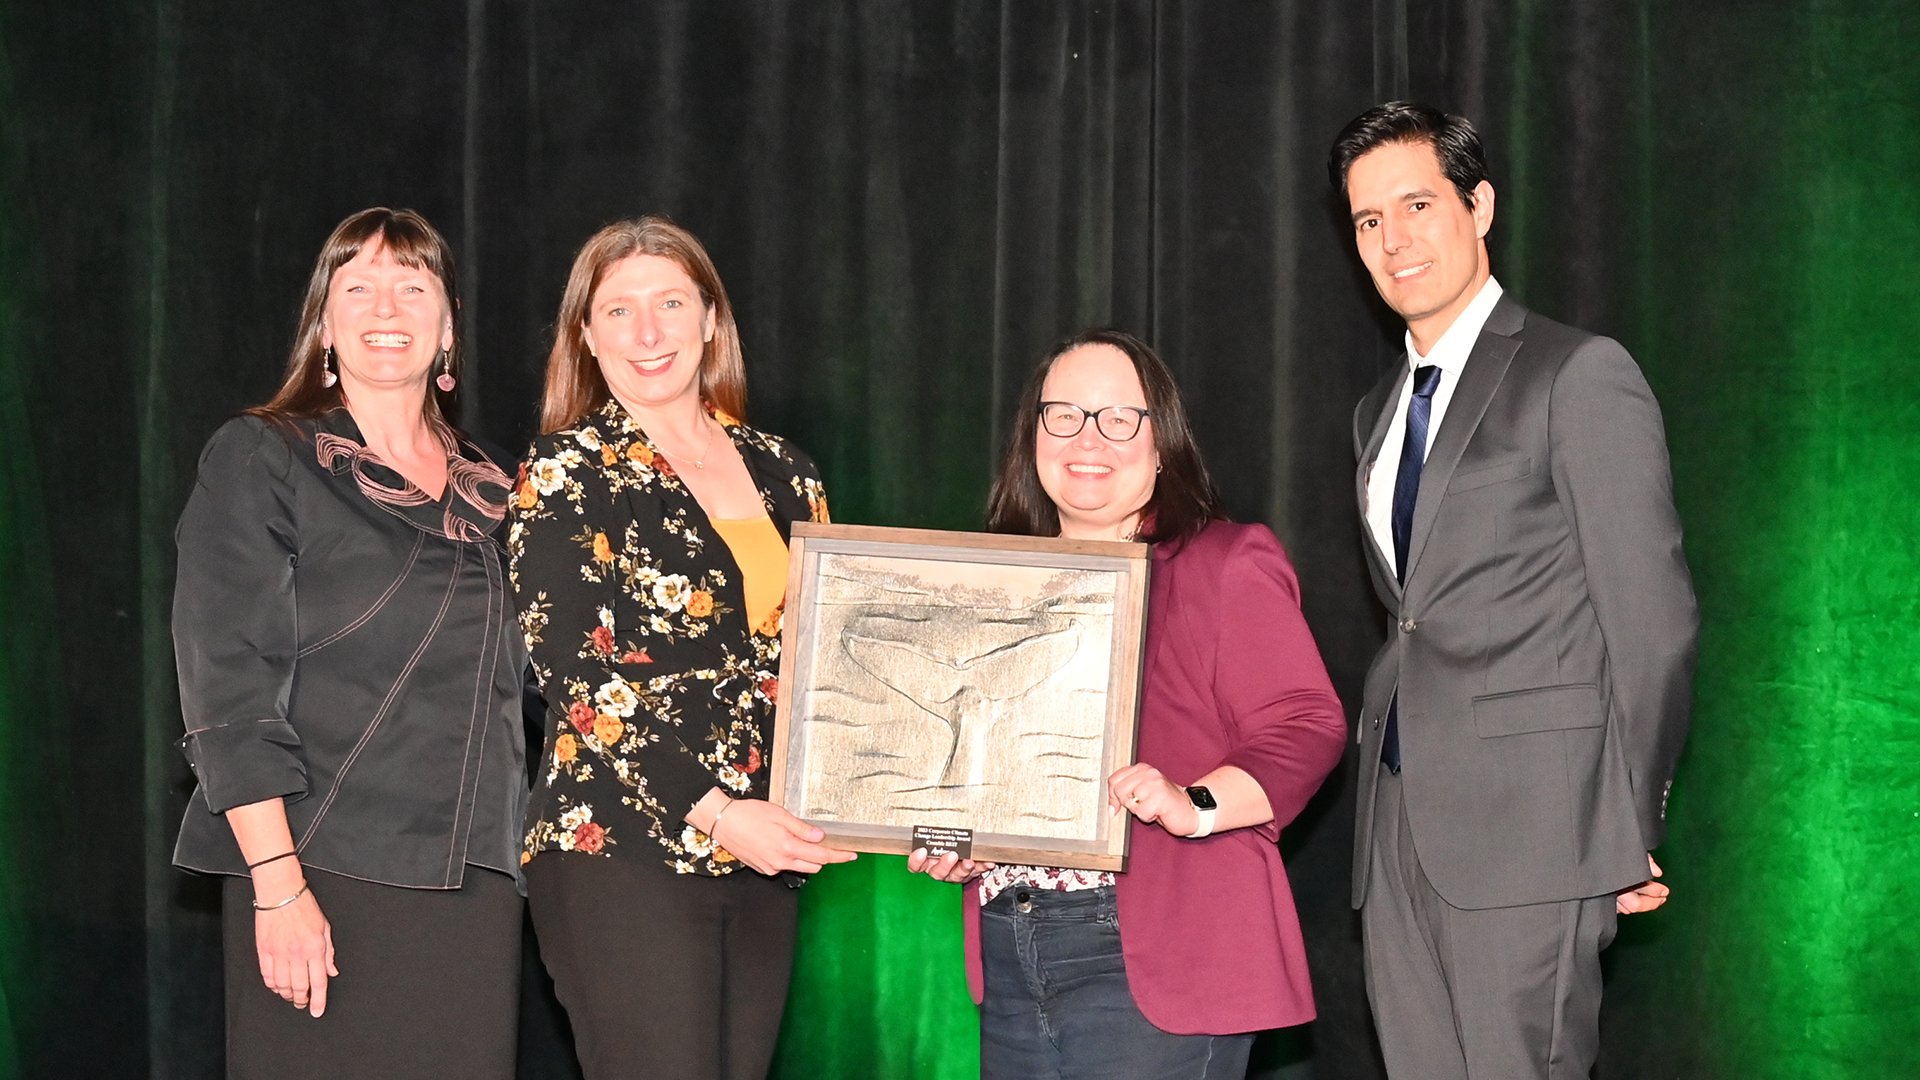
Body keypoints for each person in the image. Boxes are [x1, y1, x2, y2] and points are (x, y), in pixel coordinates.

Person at [1327, 101, 1699, 1079]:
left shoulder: (1578, 375)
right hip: (1398, 827)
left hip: (1534, 831)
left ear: (1479, 205)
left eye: (1416, 203)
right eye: (1369, 220)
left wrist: (1624, 823)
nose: (1393, 239)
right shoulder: (1376, 414)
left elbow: (1652, 624)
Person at [908, 329, 1347, 1079]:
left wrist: (1195, 801)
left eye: (1120, 419)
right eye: (1065, 416)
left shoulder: (1223, 562)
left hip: (1159, 952)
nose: (1090, 439)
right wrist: (955, 834)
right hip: (1012, 948)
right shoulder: (992, 585)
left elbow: (1308, 725)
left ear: (1162, 444)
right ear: (1032, 437)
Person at [171, 208, 528, 1079]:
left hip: (476, 879)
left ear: (448, 329)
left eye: (414, 286)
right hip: (320, 864)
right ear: (323, 325)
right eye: (356, 285)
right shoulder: (263, 455)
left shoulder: (505, 490)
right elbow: (227, 686)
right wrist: (279, 886)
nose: (387, 307)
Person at [510, 216, 856, 1080]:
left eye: (670, 302)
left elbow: (831, 665)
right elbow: (578, 680)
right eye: (618, 311)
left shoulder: (789, 472)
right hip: (620, 850)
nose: (649, 332)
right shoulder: (566, 471)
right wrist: (717, 811)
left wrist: (893, 805)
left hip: (762, 852)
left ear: (711, 319)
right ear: (586, 337)